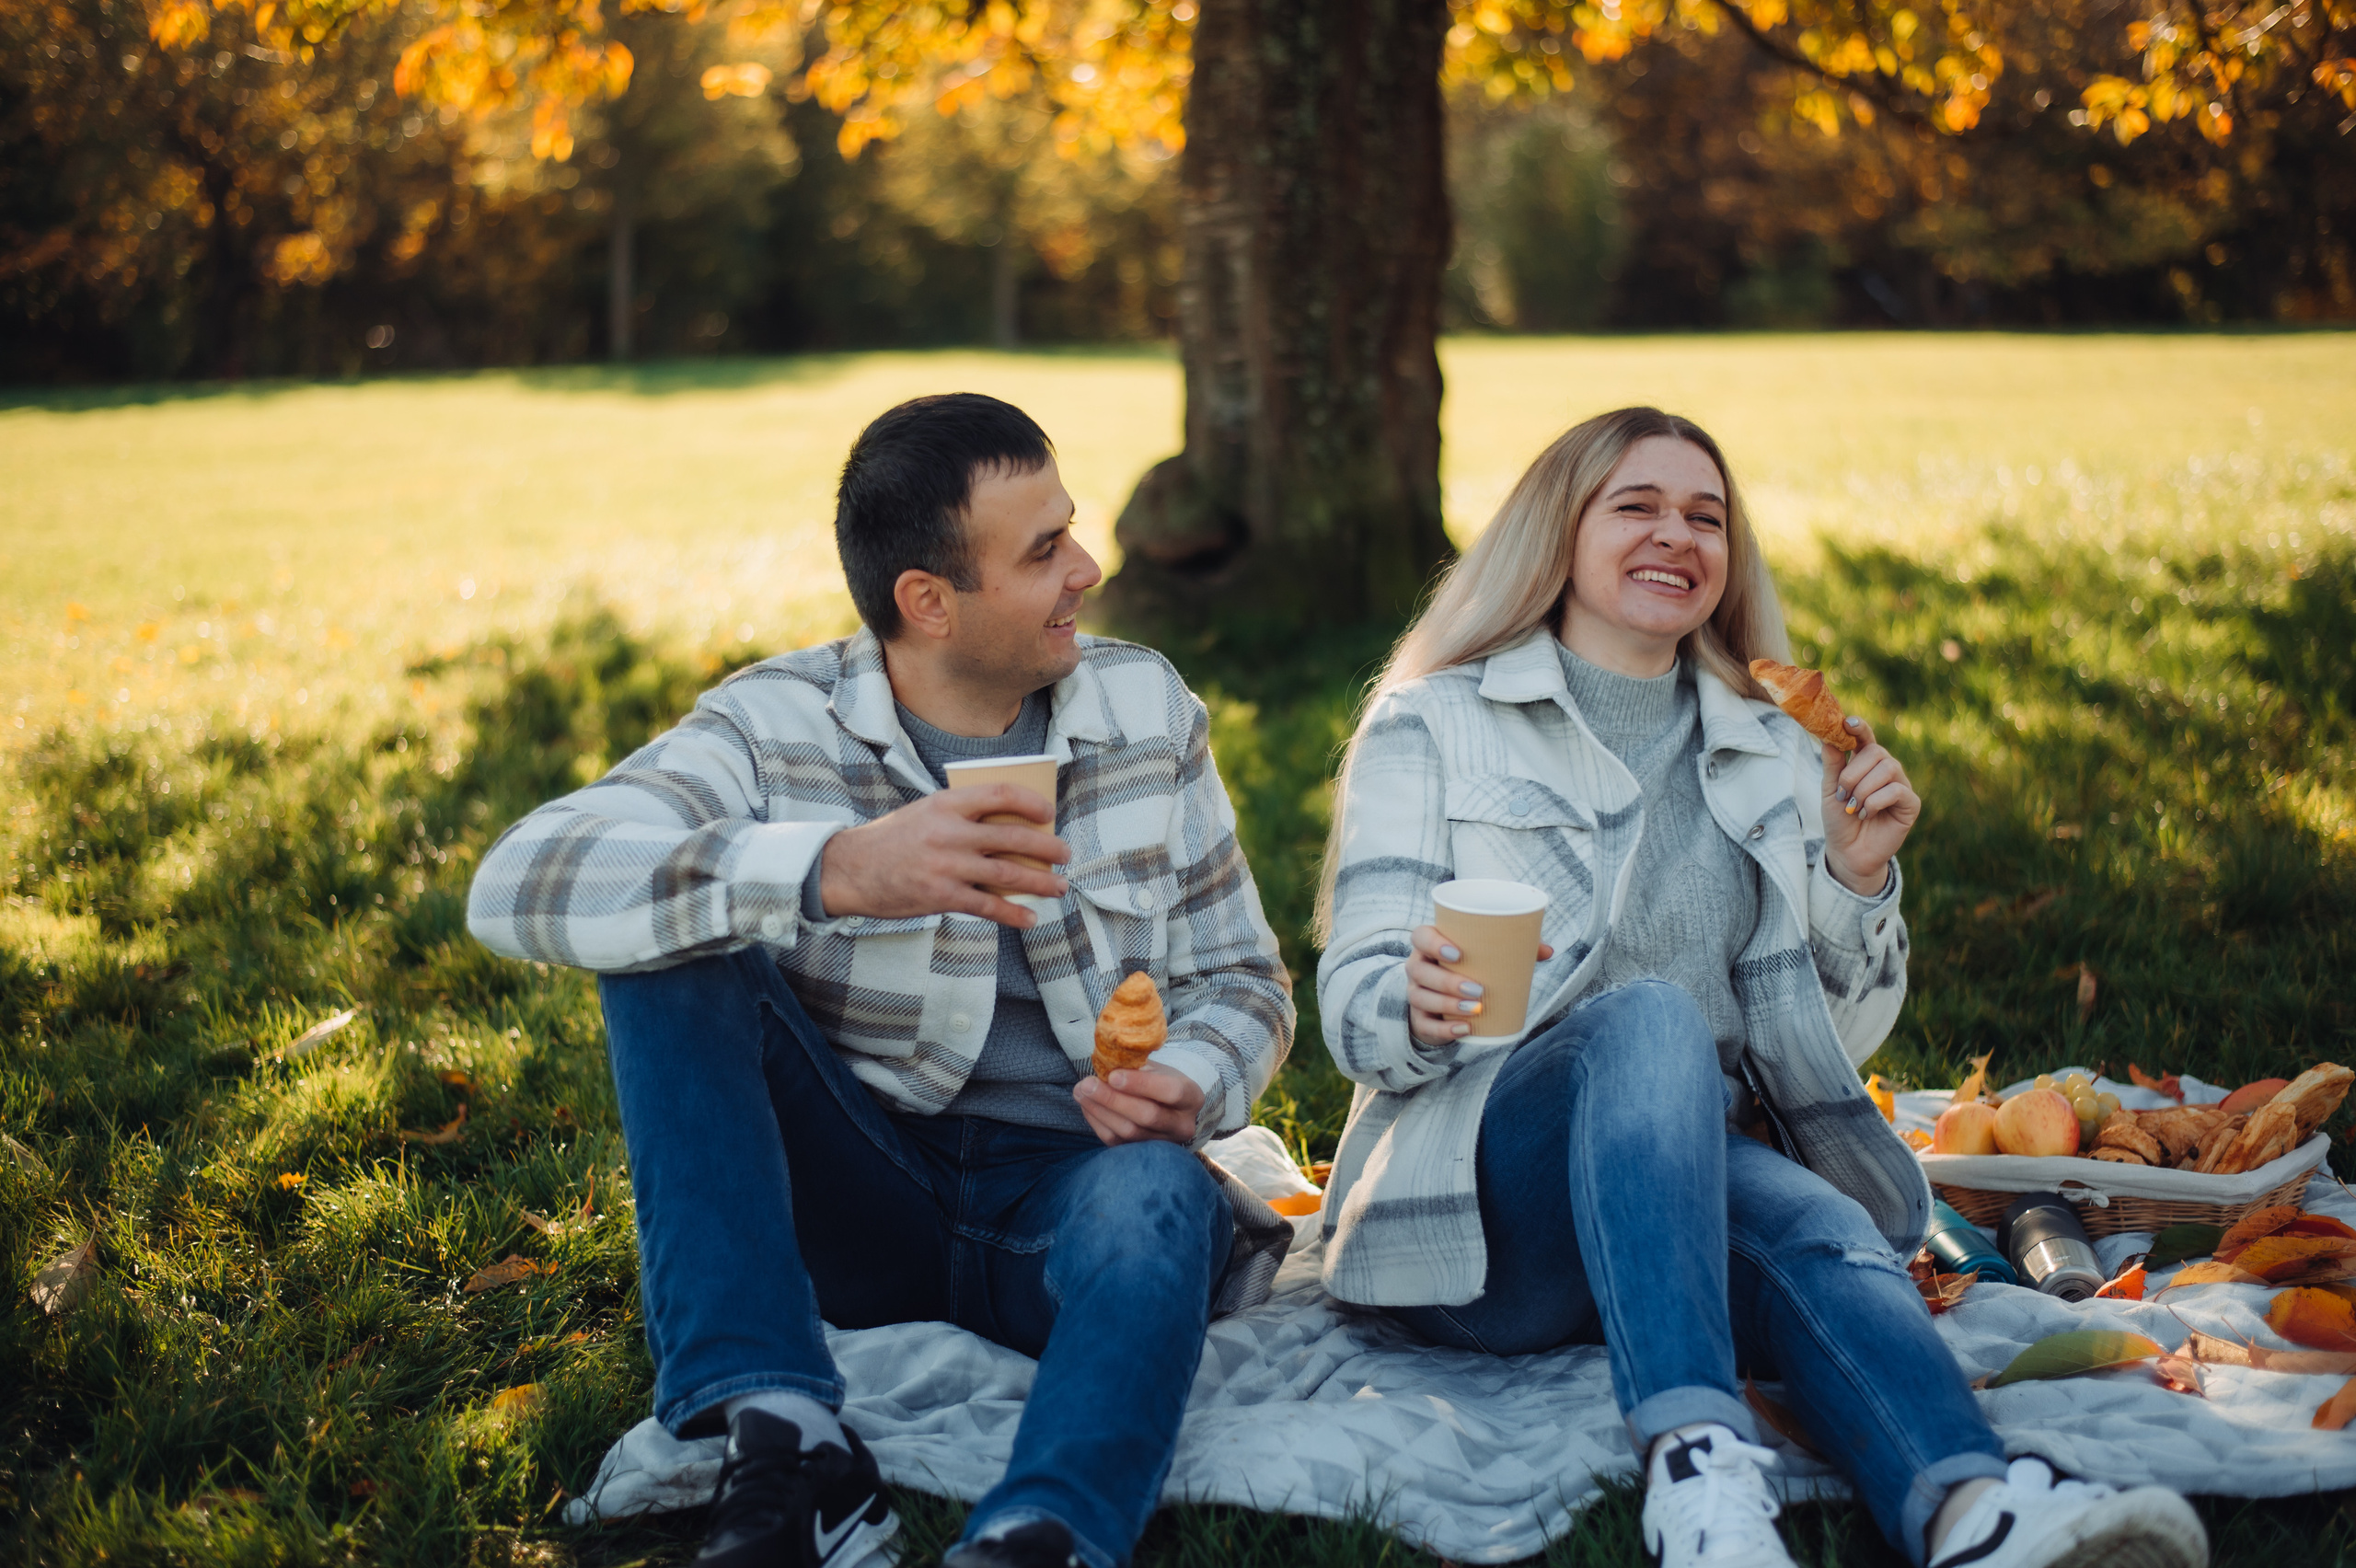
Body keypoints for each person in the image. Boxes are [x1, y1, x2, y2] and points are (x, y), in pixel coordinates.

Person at [1312, 407, 2208, 1568]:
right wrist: (1416, 1003)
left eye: (1706, 516)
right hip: (1483, 1215)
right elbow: (1352, 1007)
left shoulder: (1773, 744)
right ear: (1557, 535)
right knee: (1643, 1023)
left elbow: (1826, 1046)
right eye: (1635, 506)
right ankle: (1698, 1473)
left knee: (1826, 1228)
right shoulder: (1433, 721)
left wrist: (1854, 874)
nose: (1675, 536)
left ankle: (1974, 1511)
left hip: (1685, 1178)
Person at [468, 393, 1295, 1568]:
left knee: (1168, 1189)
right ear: (927, 601)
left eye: (1072, 529)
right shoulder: (775, 723)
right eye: (1044, 550)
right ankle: (793, 1442)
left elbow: (1247, 979)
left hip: (1078, 1195)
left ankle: (1041, 1532)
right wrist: (831, 869)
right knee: (668, 945)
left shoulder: (1143, 707)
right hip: (856, 1196)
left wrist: (1193, 1080)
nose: (1089, 568)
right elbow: (518, 880)